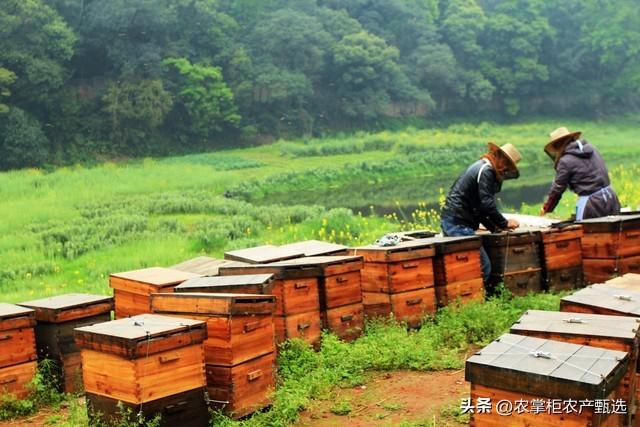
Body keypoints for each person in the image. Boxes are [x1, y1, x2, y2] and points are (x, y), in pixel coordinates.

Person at [440, 142, 521, 284]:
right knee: (482, 266)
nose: (505, 171)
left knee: (467, 265)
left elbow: (479, 208)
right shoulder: (486, 171)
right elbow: (487, 204)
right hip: (458, 224)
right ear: (502, 160)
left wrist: (494, 227)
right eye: (506, 167)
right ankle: (473, 300)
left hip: (454, 220)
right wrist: (504, 222)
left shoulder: (482, 167)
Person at [540, 127, 620, 220]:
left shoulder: (565, 161)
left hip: (592, 204)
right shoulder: (592, 148)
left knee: (590, 233)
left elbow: (557, 190)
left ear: (559, 145)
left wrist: (546, 208)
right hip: (611, 198)